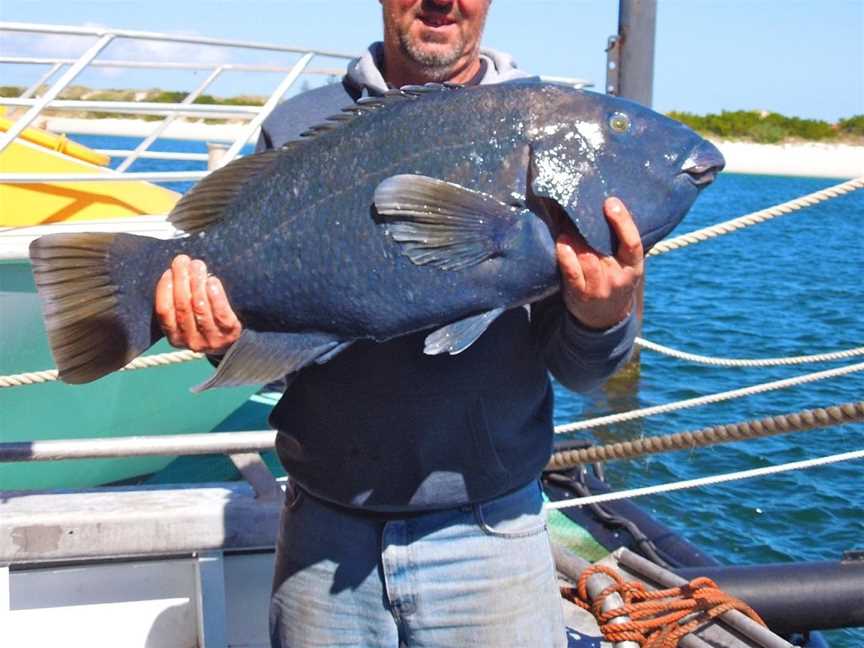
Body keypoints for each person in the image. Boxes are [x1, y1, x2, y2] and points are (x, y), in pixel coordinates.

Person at [155, 1, 644, 645]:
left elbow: (584, 370)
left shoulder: (551, 128)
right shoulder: (301, 124)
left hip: (490, 538)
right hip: (322, 534)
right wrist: (217, 336)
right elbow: (265, 335)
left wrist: (602, 315)